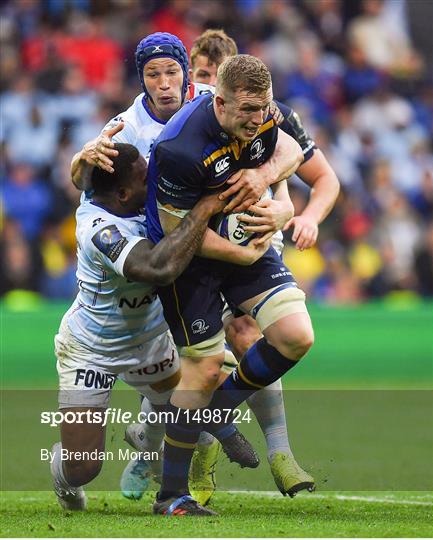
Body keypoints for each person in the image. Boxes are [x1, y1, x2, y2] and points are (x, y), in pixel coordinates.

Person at [70, 31, 302, 503]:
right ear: (141, 81)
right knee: (85, 462)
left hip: (205, 249)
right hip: (163, 258)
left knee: (246, 345)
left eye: (172, 70)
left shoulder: (236, 106)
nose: (165, 81)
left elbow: (295, 152)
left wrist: (280, 198)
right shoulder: (129, 129)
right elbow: (89, 180)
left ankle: (244, 444)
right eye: (153, 73)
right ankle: (155, 463)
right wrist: (80, 158)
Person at [125, 28, 325, 506]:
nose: (259, 120)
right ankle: (171, 495)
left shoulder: (264, 116)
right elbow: (179, 234)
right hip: (188, 256)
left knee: (296, 335)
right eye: (247, 111)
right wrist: (242, 254)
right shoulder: (180, 148)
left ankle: (216, 411)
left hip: (241, 240)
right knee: (204, 367)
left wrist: (266, 176)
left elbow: (293, 151)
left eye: (264, 109)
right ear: (219, 103)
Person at [51, 142, 231, 512]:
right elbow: (156, 269)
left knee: (182, 407)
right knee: (83, 468)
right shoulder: (98, 228)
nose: (156, 183)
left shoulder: (137, 200)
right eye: (146, 179)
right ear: (122, 193)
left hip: (148, 337)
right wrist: (204, 209)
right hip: (90, 349)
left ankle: (149, 456)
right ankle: (62, 472)